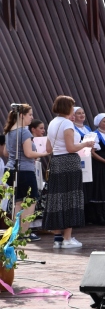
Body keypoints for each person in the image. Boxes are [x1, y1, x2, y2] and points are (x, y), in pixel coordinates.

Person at [43, 96, 94, 248]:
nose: (73, 109)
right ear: (67, 108)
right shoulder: (67, 124)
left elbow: (48, 148)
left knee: (58, 198)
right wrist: (86, 143)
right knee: (71, 197)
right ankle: (68, 238)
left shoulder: (52, 123)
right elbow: (71, 147)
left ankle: (58, 238)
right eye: (72, 106)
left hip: (57, 161)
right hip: (70, 162)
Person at [4, 104, 49, 241]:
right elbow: (29, 153)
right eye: (30, 114)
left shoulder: (9, 131)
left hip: (11, 170)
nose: (32, 117)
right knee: (30, 201)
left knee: (18, 202)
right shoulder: (24, 132)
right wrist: (44, 153)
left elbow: (6, 152)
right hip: (24, 171)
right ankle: (24, 233)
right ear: (22, 115)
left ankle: (16, 233)